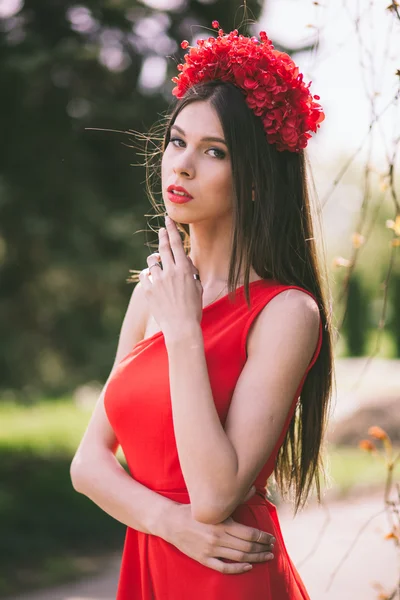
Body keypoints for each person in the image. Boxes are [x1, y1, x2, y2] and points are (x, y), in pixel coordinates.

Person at [71, 20, 335, 599]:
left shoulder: (287, 313)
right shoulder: (152, 292)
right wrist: (168, 523)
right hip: (155, 559)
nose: (181, 164)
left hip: (226, 576)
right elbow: (88, 463)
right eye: (177, 141)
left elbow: (215, 495)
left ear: (257, 181)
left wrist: (186, 330)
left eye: (213, 151)